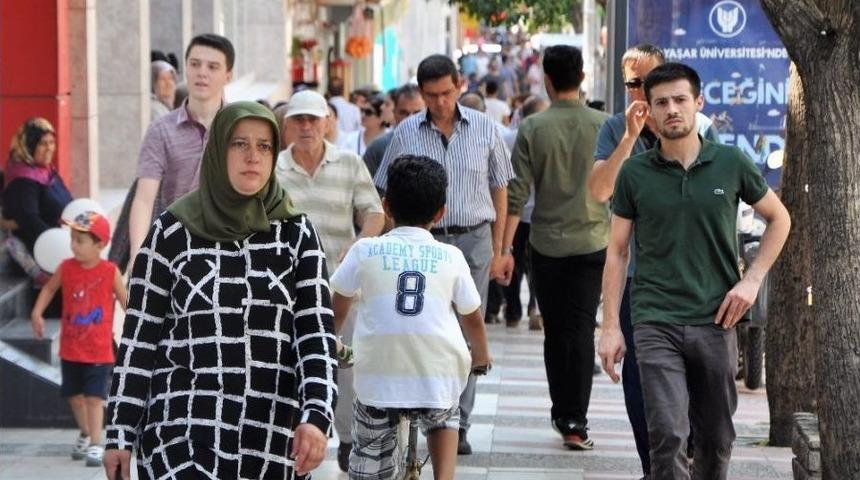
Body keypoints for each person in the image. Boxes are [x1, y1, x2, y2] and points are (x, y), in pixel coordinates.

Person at [103, 102, 337, 479]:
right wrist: (119, 432)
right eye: (239, 144)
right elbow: (139, 340)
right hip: (182, 434)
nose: (252, 157)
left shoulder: (295, 235)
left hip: (271, 441)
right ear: (216, 151)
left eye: (264, 146)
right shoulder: (171, 232)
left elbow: (316, 335)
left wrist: (317, 415)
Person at [597, 63, 790, 479]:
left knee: (716, 438)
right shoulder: (634, 173)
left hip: (717, 318)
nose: (671, 110)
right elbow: (617, 252)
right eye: (661, 102)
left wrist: (752, 280)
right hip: (655, 318)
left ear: (698, 103)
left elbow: (780, 219)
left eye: (680, 100)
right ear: (647, 111)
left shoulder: (730, 162)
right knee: (667, 434)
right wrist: (610, 325)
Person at [587, 44, 722, 478]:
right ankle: (657, 467)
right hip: (642, 285)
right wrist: (630, 137)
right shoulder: (614, 129)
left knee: (704, 397)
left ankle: (691, 459)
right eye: (634, 84)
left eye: (652, 82)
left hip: (698, 284)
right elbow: (600, 191)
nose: (644, 94)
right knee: (642, 387)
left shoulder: (701, 130)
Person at [374, 54, 514, 455]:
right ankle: (422, 410)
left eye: (447, 93)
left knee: (468, 329)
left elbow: (501, 189)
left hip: (473, 240)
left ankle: (459, 421)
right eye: (431, 95)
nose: (440, 102)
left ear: (460, 87)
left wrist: (503, 248)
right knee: (424, 328)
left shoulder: (486, 130)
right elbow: (385, 189)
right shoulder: (404, 132)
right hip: (421, 240)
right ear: (421, 93)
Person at [330, 155, 491, 480]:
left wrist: (331, 343)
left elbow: (338, 306)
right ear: (441, 212)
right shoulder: (452, 256)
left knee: (370, 438)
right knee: (446, 410)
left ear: (386, 206)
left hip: (378, 378)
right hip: (435, 378)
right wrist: (482, 356)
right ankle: (444, 475)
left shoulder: (364, 251)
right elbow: (472, 317)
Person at [501, 45, 610, 450]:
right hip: (593, 241)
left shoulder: (533, 128)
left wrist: (504, 248)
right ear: (582, 77)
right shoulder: (605, 125)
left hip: (546, 244)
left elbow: (516, 194)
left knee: (556, 330)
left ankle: (561, 410)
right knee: (581, 329)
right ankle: (576, 420)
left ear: (546, 79)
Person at [275, 90, 385, 472]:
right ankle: (292, 431)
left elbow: (374, 212)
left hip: (342, 287)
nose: (306, 126)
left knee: (345, 362)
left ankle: (349, 439)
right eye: (298, 120)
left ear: (327, 122)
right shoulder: (274, 169)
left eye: (312, 119)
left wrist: (360, 244)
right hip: (285, 287)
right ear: (287, 125)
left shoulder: (350, 162)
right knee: (287, 360)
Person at [126, 34, 234, 270]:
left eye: (212, 66)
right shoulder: (160, 130)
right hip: (174, 252)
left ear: (228, 75)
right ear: (186, 68)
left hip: (230, 251)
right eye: (195, 64)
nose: (202, 72)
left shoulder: (240, 128)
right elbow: (144, 199)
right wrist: (138, 253)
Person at [30, 211, 127, 467]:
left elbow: (127, 300)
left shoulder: (110, 271)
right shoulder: (66, 268)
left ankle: (97, 443)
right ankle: (85, 432)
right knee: (74, 397)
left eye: (80, 240)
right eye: (72, 239)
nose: (74, 245)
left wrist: (140, 325)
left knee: (94, 398)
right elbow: (50, 288)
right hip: (71, 349)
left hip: (99, 350)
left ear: (100, 244)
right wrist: (37, 313)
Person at [1, 117, 73, 282]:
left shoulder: (47, 172)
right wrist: (69, 245)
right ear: (29, 145)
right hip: (44, 253)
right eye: (42, 143)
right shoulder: (22, 181)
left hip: (63, 244)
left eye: (52, 142)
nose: (49, 148)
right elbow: (31, 222)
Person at [500, 96, 549, 330]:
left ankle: (513, 311)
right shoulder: (549, 136)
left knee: (514, 261)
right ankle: (534, 308)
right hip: (541, 213)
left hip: (515, 214)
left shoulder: (508, 139)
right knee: (538, 265)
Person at [362, 84, 425, 179]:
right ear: (394, 112)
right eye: (404, 113)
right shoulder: (378, 147)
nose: (410, 119)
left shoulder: (440, 143)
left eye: (417, 113)